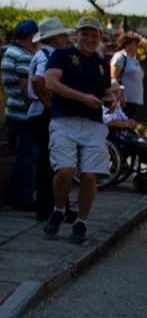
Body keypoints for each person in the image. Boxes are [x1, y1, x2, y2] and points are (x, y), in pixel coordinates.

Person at [42, 17, 112, 245]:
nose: (90, 39)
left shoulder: (102, 64)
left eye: (94, 35)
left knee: (89, 175)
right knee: (65, 170)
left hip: (92, 124)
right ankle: (59, 208)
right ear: (76, 35)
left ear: (99, 38)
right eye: (85, 34)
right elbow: (50, 83)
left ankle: (81, 221)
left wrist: (110, 98)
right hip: (64, 120)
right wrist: (82, 97)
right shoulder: (61, 55)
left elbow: (104, 91)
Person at [28, 18, 71, 221]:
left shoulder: (43, 53)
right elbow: (38, 80)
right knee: (51, 161)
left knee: (52, 161)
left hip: (40, 112)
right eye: (62, 35)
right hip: (43, 113)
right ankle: (48, 208)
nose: (65, 39)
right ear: (55, 38)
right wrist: (50, 105)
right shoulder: (48, 56)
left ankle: (55, 206)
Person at [3, 19, 39, 212]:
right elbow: (26, 88)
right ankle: (24, 196)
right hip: (24, 114)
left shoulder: (10, 52)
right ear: (32, 36)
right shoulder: (24, 57)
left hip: (12, 110)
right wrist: (33, 110)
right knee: (27, 156)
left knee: (20, 155)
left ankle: (13, 194)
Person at [103, 83, 147, 184]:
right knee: (142, 143)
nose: (120, 94)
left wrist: (131, 123)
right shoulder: (105, 105)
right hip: (117, 138)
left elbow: (126, 119)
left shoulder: (116, 106)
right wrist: (125, 125)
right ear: (111, 92)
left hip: (126, 135)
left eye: (119, 91)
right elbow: (107, 121)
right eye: (117, 91)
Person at [110, 33, 146, 126]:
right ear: (126, 44)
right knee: (123, 122)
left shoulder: (134, 59)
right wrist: (120, 97)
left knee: (130, 122)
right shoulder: (120, 57)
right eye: (134, 44)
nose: (136, 46)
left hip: (134, 98)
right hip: (125, 98)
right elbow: (114, 77)